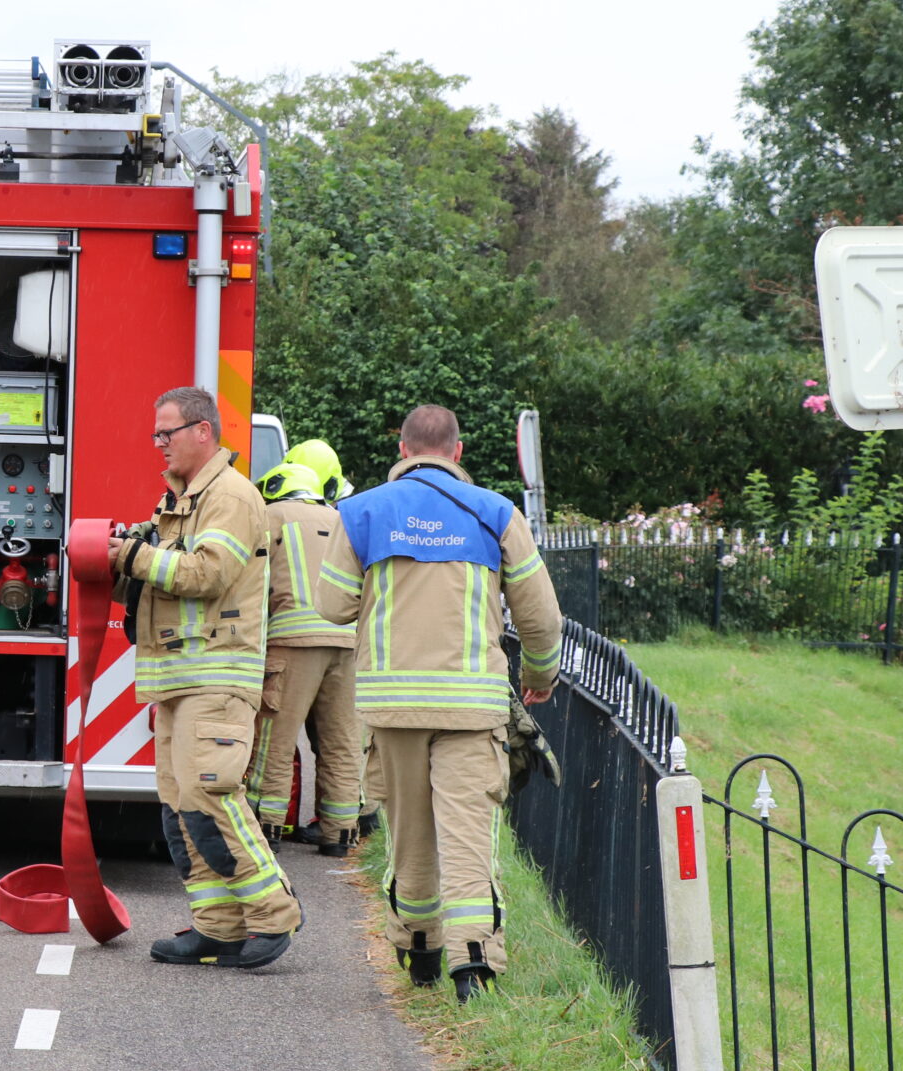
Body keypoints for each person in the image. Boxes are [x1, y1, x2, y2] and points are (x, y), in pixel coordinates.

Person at [318, 405, 563, 1001]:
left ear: (403, 449)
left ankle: (420, 949)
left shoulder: (361, 512)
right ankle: (473, 967)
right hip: (470, 708)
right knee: (468, 836)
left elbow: (331, 607)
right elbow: (540, 618)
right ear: (457, 452)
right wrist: (539, 675)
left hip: (393, 708)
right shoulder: (495, 513)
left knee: (410, 836)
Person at [110, 386, 303, 970]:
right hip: (180, 678)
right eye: (156, 434)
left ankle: (274, 913)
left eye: (165, 433)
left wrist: (134, 557)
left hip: (216, 677)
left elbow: (207, 574)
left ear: (203, 432)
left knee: (212, 797)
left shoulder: (232, 497)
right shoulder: (180, 501)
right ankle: (217, 926)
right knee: (181, 806)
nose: (158, 444)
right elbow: (158, 580)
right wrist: (119, 559)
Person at [242, 460, 365, 858]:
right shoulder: (342, 519)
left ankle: (267, 827)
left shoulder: (271, 517)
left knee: (274, 740)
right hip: (346, 644)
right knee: (341, 742)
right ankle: (340, 834)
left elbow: (252, 580)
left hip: (291, 644)